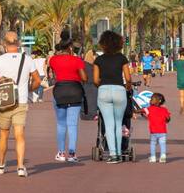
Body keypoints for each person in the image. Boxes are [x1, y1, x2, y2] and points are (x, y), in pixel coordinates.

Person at [0, 31, 41, 176]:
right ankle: (20, 167)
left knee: (3, 134)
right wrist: (28, 89)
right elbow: (37, 81)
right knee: (20, 134)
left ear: (5, 44)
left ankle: (1, 165)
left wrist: (1, 95)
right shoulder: (28, 60)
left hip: (5, 102)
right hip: (21, 101)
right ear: (18, 44)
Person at [93, 31, 132, 163]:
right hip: (119, 91)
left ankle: (113, 154)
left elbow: (95, 80)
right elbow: (128, 78)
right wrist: (127, 87)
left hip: (103, 91)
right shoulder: (122, 58)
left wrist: (102, 84)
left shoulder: (98, 60)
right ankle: (120, 153)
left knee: (109, 124)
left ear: (103, 44)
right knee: (118, 123)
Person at [48, 33, 87, 162]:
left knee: (61, 123)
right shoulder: (77, 60)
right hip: (75, 91)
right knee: (72, 124)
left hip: (60, 91)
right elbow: (84, 78)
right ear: (70, 47)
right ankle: (72, 154)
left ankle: (61, 153)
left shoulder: (53, 59)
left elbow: (53, 72)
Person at [142, 93, 171, 163]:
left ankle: (153, 157)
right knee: (162, 144)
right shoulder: (164, 109)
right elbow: (168, 119)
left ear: (159, 101)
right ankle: (163, 156)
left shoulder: (149, 109)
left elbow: (141, 111)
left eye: (152, 99)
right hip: (163, 131)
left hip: (153, 131)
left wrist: (135, 111)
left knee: (153, 144)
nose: (150, 100)